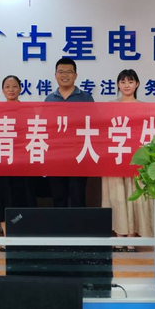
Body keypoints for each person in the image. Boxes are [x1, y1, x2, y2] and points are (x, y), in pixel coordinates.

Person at [102, 69, 153, 252]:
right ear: (117, 84)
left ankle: (131, 237)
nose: (126, 85)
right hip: (114, 159)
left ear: (137, 84)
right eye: (123, 82)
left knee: (134, 197)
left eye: (130, 82)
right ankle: (119, 237)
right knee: (116, 196)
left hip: (136, 161)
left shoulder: (145, 107)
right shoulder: (108, 107)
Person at [0, 75, 37, 250]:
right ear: (3, 90)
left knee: (24, 196)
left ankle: (25, 235)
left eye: (15, 86)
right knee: (3, 197)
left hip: (23, 161)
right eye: (7, 86)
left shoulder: (27, 110)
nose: (11, 89)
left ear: (20, 89)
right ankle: (6, 236)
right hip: (1, 161)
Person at [45, 58, 94, 207]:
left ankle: (79, 223)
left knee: (78, 197)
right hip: (56, 156)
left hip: (79, 155)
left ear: (75, 75)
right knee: (58, 197)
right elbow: (45, 128)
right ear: (55, 75)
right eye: (61, 72)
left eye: (69, 72)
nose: (65, 75)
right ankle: (59, 223)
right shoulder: (49, 99)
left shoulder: (86, 98)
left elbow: (94, 125)